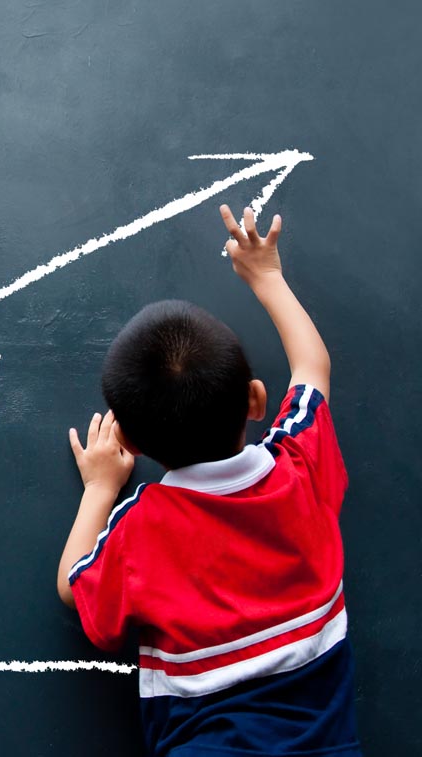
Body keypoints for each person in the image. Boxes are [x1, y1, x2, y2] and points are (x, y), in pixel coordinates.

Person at [56, 205, 360, 756]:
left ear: (133, 444)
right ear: (256, 400)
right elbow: (313, 368)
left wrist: (101, 489)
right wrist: (267, 277)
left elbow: (75, 589)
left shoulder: (142, 528)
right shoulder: (301, 467)